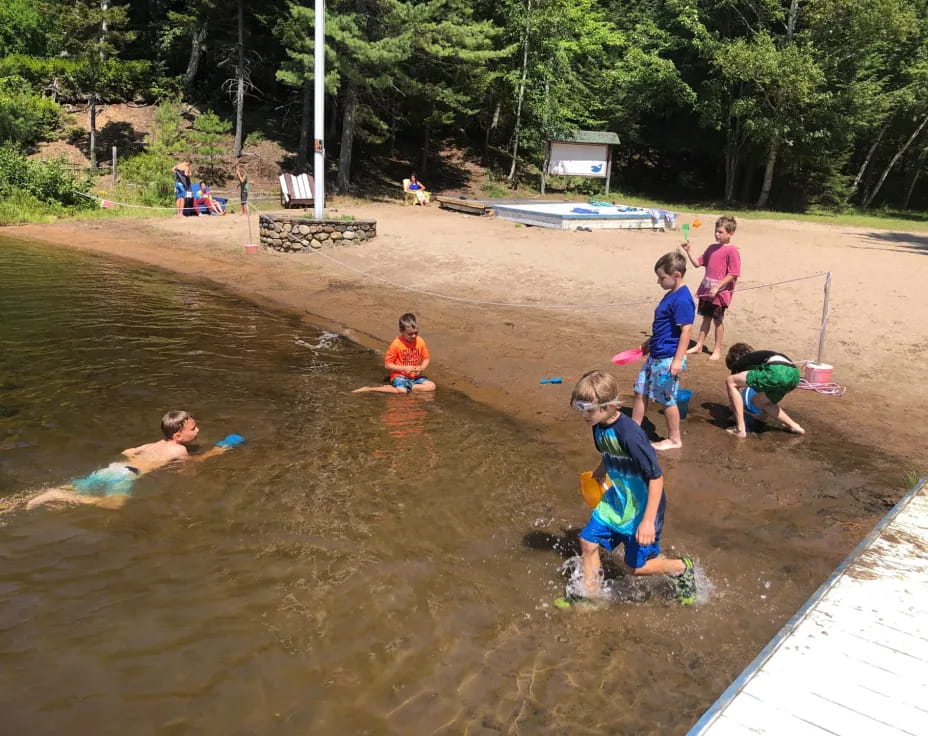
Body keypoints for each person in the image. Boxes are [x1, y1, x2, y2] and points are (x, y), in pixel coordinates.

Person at [570, 370, 696, 604]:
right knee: (588, 542)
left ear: (609, 406)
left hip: (643, 506)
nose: (584, 415)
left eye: (588, 409)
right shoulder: (598, 426)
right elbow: (608, 452)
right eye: (580, 408)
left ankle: (681, 567)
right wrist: (601, 469)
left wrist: (648, 520)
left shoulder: (630, 435)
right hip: (618, 497)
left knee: (635, 568)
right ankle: (590, 599)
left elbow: (657, 477)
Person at [23, 411, 243, 510]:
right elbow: (190, 468)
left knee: (78, 488)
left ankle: (25, 501)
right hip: (126, 474)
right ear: (178, 436)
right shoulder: (179, 451)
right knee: (113, 505)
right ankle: (56, 495)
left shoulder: (152, 444)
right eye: (193, 428)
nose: (197, 430)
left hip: (114, 468)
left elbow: (129, 450)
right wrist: (218, 450)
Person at [632, 252, 695, 451]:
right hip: (656, 353)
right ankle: (633, 429)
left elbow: (686, 331)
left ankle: (675, 439)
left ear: (676, 275)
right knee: (639, 389)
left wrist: (677, 361)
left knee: (666, 398)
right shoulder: (670, 294)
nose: (658, 281)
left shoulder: (683, 299)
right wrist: (649, 342)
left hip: (668, 357)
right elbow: (664, 325)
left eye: (662, 278)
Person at [682, 215, 741, 361]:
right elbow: (697, 263)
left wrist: (718, 287)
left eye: (721, 232)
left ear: (730, 233)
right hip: (707, 289)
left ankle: (717, 349)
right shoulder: (712, 248)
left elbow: (733, 273)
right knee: (705, 318)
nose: (717, 234)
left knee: (717, 320)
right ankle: (699, 345)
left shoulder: (732, 251)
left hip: (720, 293)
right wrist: (688, 251)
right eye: (716, 231)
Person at [724, 343, 805, 438]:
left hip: (776, 371)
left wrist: (734, 414)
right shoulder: (759, 357)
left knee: (730, 381)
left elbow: (734, 388)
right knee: (759, 401)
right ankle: (794, 426)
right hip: (794, 375)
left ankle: (740, 430)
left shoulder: (740, 362)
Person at [352, 313, 437, 394]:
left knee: (432, 386)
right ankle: (370, 389)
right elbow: (387, 365)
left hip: (414, 376)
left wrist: (421, 367)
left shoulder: (420, 341)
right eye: (410, 334)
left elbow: (426, 358)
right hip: (399, 375)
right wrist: (403, 368)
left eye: (416, 333)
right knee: (402, 391)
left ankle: (405, 387)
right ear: (401, 331)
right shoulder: (396, 344)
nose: (414, 336)